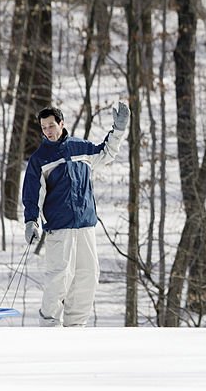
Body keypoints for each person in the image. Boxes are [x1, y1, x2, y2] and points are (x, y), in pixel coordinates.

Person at [22, 102, 129, 327]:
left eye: (51, 125)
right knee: (59, 277)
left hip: (85, 225)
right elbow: (32, 194)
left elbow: (106, 152)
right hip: (60, 228)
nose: (48, 131)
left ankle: (76, 327)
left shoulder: (81, 148)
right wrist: (31, 221)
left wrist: (118, 131)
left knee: (87, 276)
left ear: (62, 124)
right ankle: (50, 326)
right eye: (44, 128)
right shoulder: (39, 159)